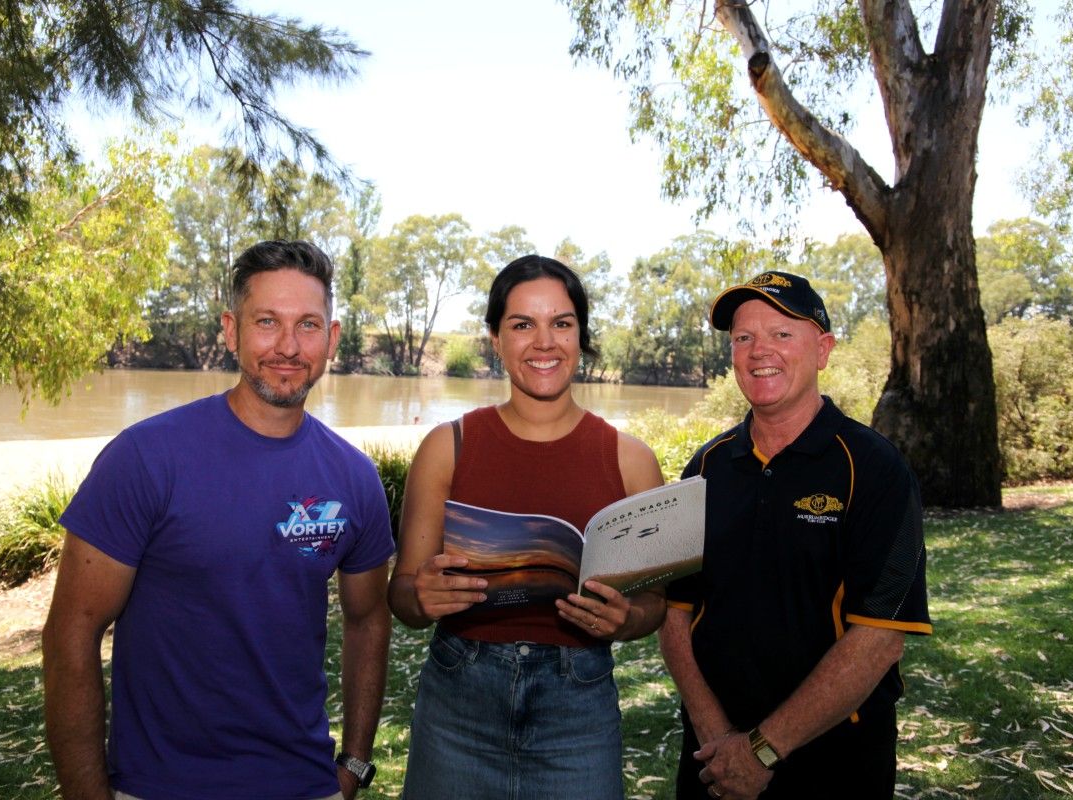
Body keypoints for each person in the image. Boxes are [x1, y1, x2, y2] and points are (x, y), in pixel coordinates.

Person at [41, 240, 394, 800]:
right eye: (266, 322)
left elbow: (368, 618)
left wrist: (354, 762)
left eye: (307, 324)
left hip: (302, 783)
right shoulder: (145, 458)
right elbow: (71, 633)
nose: (287, 346)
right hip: (159, 785)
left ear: (331, 339)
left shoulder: (353, 478)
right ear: (231, 331)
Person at [388, 255, 666, 799]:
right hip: (457, 702)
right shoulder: (447, 447)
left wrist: (625, 618)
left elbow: (654, 605)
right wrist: (423, 597)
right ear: (495, 338)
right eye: (522, 325)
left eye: (561, 323)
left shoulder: (632, 461)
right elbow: (402, 596)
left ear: (581, 336)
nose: (545, 343)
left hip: (578, 709)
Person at [661, 271, 932, 800]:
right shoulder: (704, 467)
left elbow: (881, 637)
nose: (760, 350)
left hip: (836, 763)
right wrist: (717, 736)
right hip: (712, 762)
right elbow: (675, 614)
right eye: (743, 337)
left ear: (823, 349)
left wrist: (762, 748)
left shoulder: (876, 469)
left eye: (783, 333)